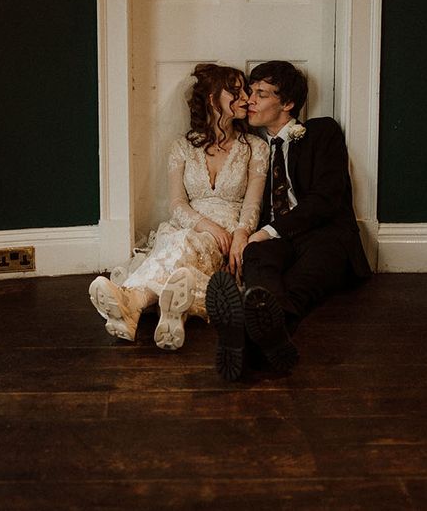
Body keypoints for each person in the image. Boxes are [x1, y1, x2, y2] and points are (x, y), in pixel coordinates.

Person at [205, 60, 372, 381]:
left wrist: (268, 231)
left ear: (288, 104)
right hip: (272, 239)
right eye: (250, 92)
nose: (249, 100)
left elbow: (326, 200)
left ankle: (241, 341)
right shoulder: (249, 147)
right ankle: (268, 342)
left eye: (262, 94)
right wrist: (247, 235)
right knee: (257, 266)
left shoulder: (321, 131)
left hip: (322, 234)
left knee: (297, 287)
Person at [89, 63, 269, 351]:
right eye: (236, 92)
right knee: (178, 243)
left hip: (226, 230)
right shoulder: (182, 147)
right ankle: (169, 309)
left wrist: (240, 235)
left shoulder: (255, 148)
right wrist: (203, 224)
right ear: (212, 100)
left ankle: (134, 303)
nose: (247, 98)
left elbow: (252, 203)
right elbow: (177, 204)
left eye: (246, 90)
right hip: (188, 225)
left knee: (185, 248)